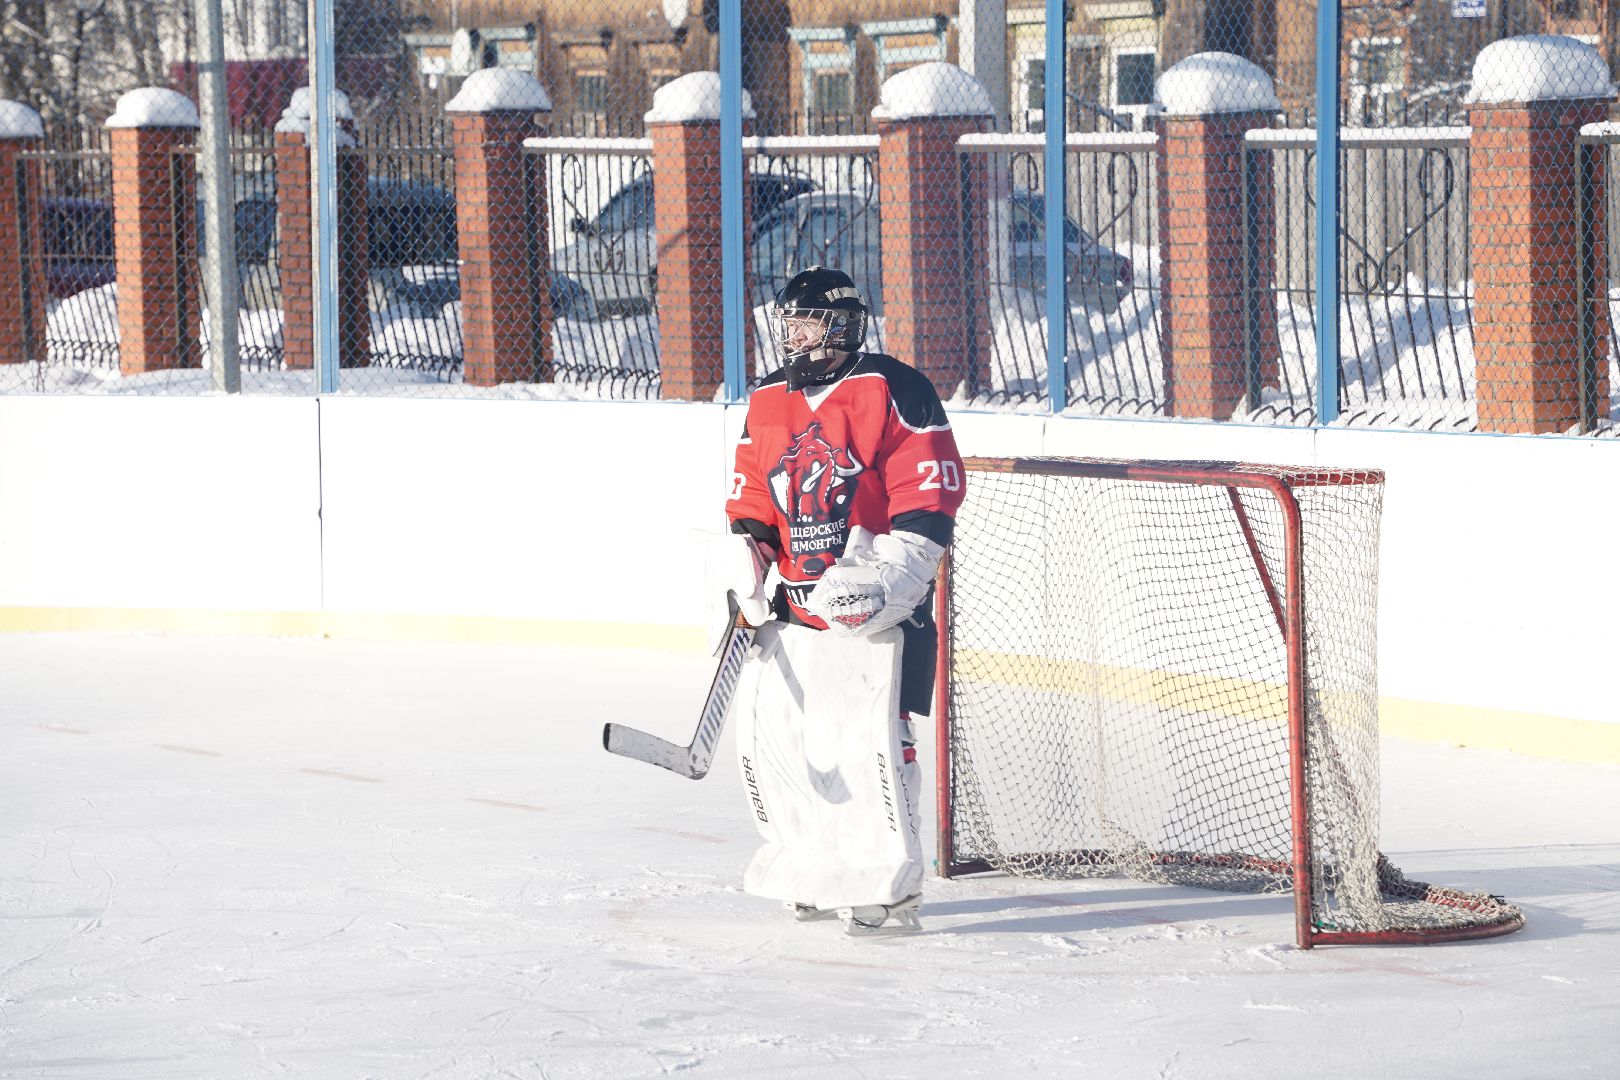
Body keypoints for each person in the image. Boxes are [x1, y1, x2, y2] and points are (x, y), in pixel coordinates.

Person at [714, 266, 965, 936]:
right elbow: (755, 496)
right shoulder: (768, 398)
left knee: (874, 743)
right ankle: (818, 867)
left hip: (875, 604)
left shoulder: (893, 385)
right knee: (797, 749)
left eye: (809, 323)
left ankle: (894, 883)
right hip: (798, 607)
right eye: (789, 324)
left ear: (844, 323)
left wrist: (898, 573)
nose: (795, 336)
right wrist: (749, 556)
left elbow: (928, 487)